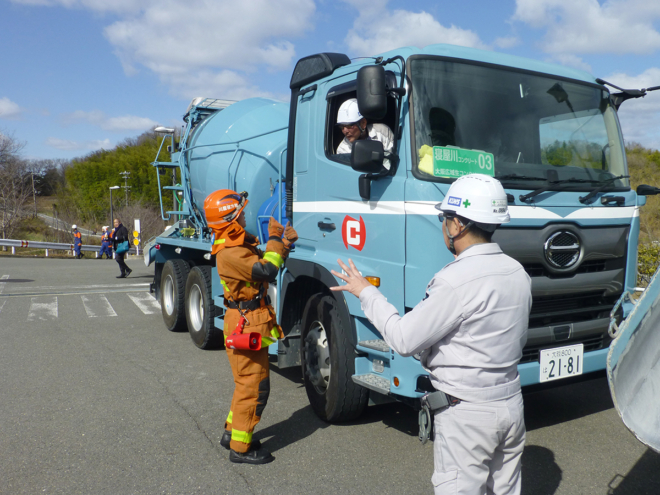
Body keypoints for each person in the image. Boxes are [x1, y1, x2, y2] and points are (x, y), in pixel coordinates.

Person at [331, 174, 532, 495]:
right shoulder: (517, 272)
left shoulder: (454, 280)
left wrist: (366, 292)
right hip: (511, 406)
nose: (443, 225)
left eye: (444, 218)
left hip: (467, 413)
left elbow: (403, 339)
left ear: (457, 225)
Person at [203, 189, 297, 465]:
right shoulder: (231, 253)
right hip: (246, 324)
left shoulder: (233, 243)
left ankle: (232, 433)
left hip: (246, 321)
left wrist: (282, 246)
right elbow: (267, 271)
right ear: (230, 218)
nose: (245, 213)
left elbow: (264, 268)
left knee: (245, 383)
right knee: (254, 387)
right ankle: (240, 449)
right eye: (240, 211)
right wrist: (277, 242)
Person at [335, 98, 394, 168]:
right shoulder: (342, 150)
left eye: (349, 125)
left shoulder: (382, 132)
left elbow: (395, 160)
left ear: (363, 123)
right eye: (342, 127)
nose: (345, 131)